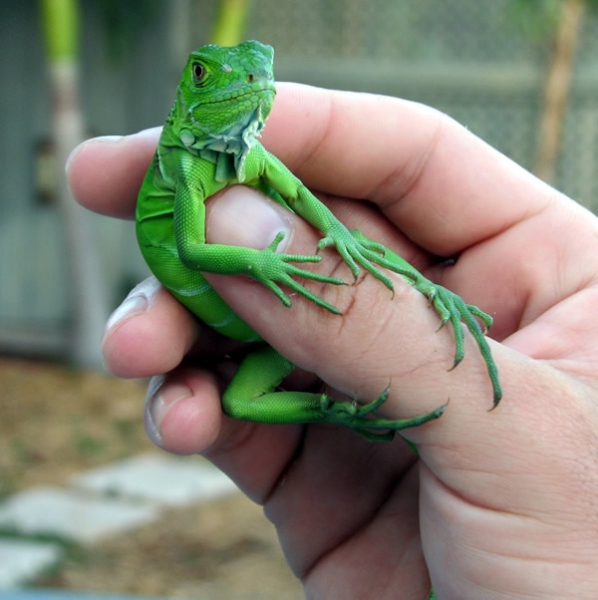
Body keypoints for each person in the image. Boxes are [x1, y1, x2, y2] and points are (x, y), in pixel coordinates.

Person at [66, 83, 598, 599]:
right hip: (254, 328)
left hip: (264, 329)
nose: (249, 82)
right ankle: (331, 408)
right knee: (236, 400)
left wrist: (336, 232)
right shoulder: (185, 166)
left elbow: (297, 193)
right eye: (209, 74)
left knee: (359, 251)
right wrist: (262, 260)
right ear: (187, 92)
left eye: (259, 72)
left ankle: (431, 301)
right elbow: (193, 247)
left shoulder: (250, 157)